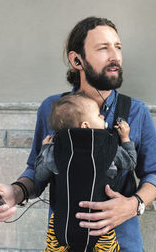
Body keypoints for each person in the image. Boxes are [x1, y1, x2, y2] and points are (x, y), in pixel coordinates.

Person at [0, 16, 156, 252]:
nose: (115, 56)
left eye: (118, 47)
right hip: (64, 240)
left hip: (122, 243)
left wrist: (134, 205)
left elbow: (155, 173)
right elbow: (37, 170)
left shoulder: (136, 111)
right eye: (103, 48)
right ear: (76, 59)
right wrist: (14, 192)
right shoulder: (52, 108)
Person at [35, 92, 137, 251]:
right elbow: (130, 163)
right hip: (100, 223)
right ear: (85, 125)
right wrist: (125, 139)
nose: (103, 117)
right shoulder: (108, 148)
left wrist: (45, 148)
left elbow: (40, 174)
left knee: (53, 247)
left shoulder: (55, 150)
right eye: (98, 115)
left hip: (62, 221)